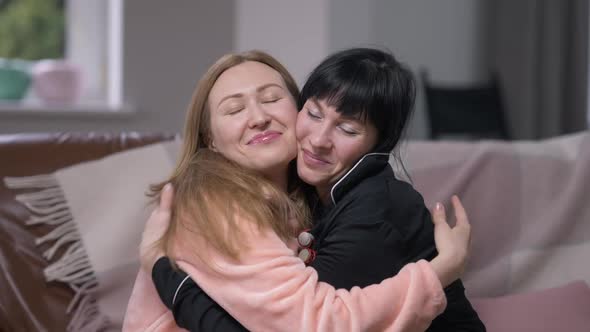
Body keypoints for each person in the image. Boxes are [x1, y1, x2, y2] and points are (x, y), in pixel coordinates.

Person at [123, 49, 472, 331]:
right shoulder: (215, 200)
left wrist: (163, 271)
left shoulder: (317, 199)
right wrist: (440, 272)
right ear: (210, 140)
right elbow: (317, 324)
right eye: (234, 109)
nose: (258, 117)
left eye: (272, 98)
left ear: (294, 107)